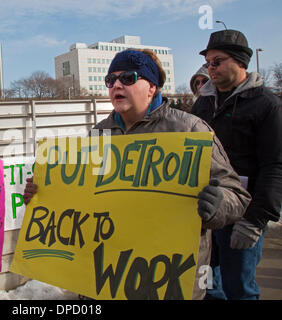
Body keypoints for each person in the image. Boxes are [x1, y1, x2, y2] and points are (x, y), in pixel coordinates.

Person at [24, 48, 251, 300]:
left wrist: (218, 204)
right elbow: (82, 199)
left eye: (128, 78)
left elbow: (237, 196)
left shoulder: (189, 130)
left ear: (151, 86)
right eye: (111, 80)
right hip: (108, 277)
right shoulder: (98, 135)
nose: (116, 85)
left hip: (167, 281)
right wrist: (44, 195)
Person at [191, 29, 282, 300]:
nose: (210, 68)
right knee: (208, 285)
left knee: (239, 288)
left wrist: (255, 220)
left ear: (240, 62)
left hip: (243, 215)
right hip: (206, 212)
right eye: (208, 63)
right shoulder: (203, 106)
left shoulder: (266, 105)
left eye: (217, 62)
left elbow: (275, 166)